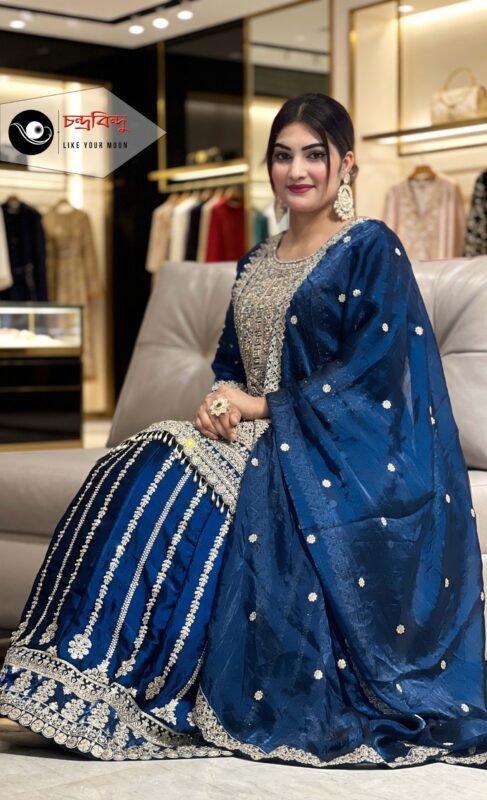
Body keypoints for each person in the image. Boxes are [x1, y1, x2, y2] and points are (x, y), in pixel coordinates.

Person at [1, 92, 487, 769]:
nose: (297, 170)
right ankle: (70, 679)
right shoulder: (255, 259)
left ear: (346, 164)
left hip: (333, 450)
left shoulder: (370, 247)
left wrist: (264, 408)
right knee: (135, 460)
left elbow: (374, 376)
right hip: (256, 435)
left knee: (166, 476)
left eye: (314, 154)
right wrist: (219, 402)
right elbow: (231, 364)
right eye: (282, 155)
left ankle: (119, 692)